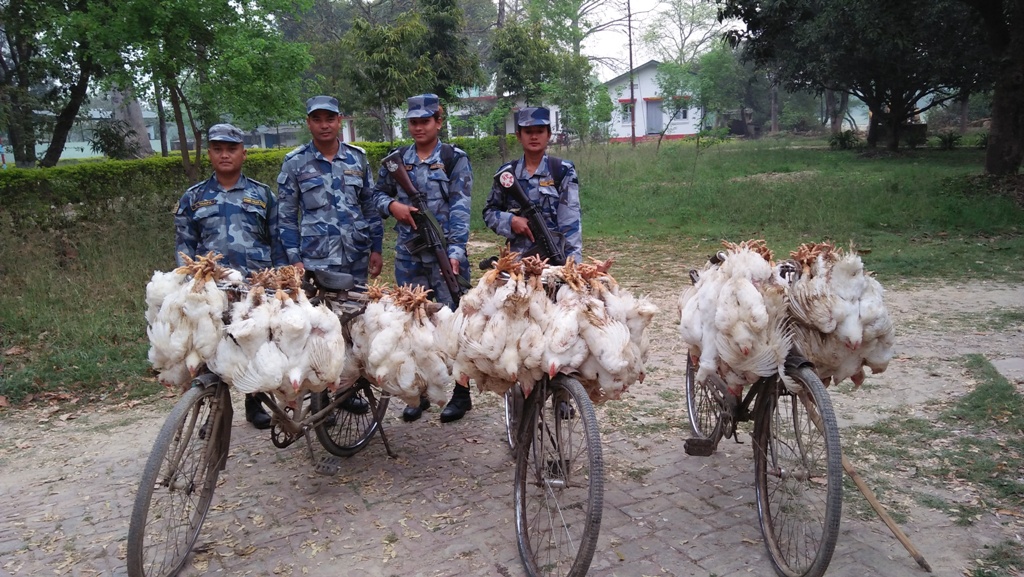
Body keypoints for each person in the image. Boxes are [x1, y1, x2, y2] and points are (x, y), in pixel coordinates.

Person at [277, 95, 383, 416]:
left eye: (330, 118)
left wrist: (376, 247)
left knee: (353, 327)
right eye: (317, 119)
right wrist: (294, 257)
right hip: (315, 262)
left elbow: (370, 206)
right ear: (308, 122)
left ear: (340, 121)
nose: (324, 125)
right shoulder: (295, 163)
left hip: (355, 258)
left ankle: (346, 390)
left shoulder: (358, 160)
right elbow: (286, 216)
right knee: (319, 330)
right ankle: (317, 393)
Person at [174, 123, 285, 430]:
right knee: (211, 347)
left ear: (243, 154)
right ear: (209, 153)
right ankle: (215, 410)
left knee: (255, 342)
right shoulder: (194, 197)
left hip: (254, 285)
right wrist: (188, 282)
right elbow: (184, 245)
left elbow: (277, 242)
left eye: (232, 149)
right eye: (218, 149)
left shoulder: (263, 195)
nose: (225, 155)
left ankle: (255, 401)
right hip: (212, 287)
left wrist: (278, 283)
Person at [371, 93, 473, 423]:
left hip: (444, 253)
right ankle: (418, 392)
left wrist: (455, 251)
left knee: (451, 324)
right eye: (413, 122)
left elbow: (461, 208)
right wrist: (393, 207)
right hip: (409, 256)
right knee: (412, 324)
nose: (418, 127)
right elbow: (374, 195)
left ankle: (460, 393)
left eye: (425, 121)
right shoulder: (396, 160)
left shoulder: (454, 158)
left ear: (438, 122)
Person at [483, 107, 583, 264]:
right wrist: (511, 220)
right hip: (516, 263)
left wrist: (573, 265)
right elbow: (489, 212)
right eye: (528, 132)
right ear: (519, 136)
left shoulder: (562, 171)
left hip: (554, 261)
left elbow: (571, 223)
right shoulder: (507, 174)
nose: (534, 136)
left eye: (540, 131)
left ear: (548, 135)